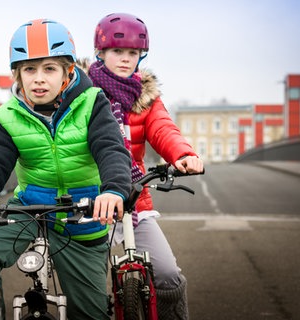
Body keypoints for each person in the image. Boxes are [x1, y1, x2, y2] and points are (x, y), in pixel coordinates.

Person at [0, 18, 132, 319]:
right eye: (29, 69)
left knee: (90, 313)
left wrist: (114, 190)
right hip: (28, 210)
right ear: (18, 75)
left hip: (83, 215)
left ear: (68, 73)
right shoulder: (8, 115)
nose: (38, 79)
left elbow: (111, 149)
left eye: (49, 69)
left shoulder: (92, 103)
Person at [84, 13, 204, 319]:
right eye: (117, 52)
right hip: (86, 198)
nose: (125, 60)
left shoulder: (146, 98)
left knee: (166, 274)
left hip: (133, 199)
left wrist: (182, 154)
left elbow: (163, 129)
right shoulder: (80, 93)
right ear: (101, 53)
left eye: (133, 54)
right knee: (89, 287)